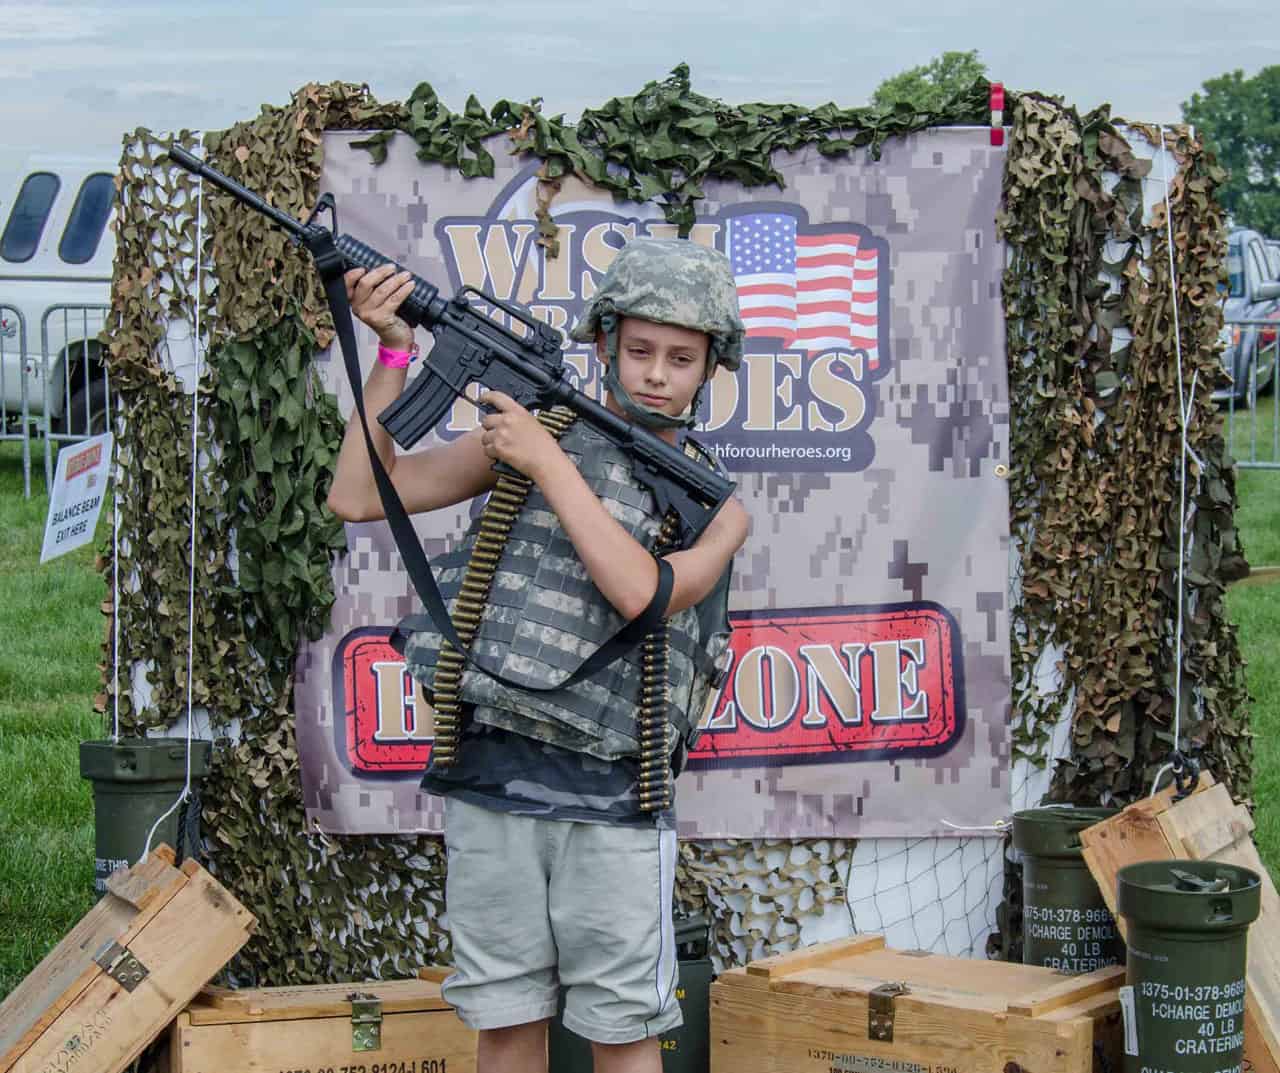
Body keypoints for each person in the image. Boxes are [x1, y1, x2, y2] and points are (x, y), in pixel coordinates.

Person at [327, 238, 749, 1073]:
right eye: (638, 350)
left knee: (622, 1032)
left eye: (680, 358)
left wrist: (546, 461)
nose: (655, 374)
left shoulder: (718, 505)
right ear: (604, 345)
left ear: (710, 368)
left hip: (615, 801)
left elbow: (643, 592)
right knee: (506, 1021)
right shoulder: (535, 436)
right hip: (490, 778)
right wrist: (393, 355)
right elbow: (358, 494)